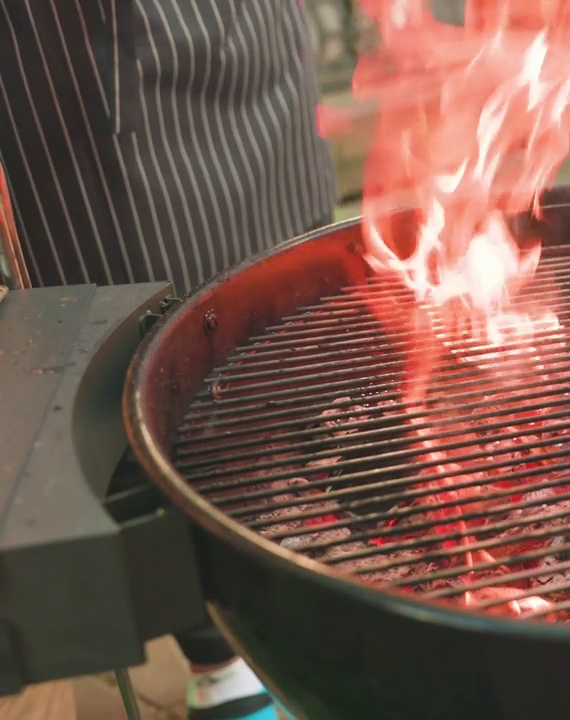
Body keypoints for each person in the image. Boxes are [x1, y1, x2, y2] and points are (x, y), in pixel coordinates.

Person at [0, 2, 338, 719]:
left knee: (288, 304)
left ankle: (298, 582)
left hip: (255, 30)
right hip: (90, 66)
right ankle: (219, 661)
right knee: (151, 347)